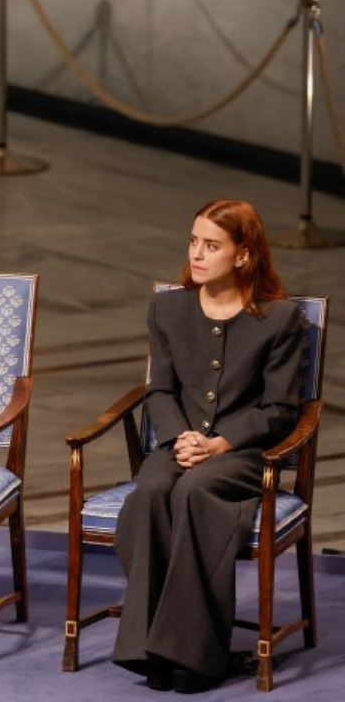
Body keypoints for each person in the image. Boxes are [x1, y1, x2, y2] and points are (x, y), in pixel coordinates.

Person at [111, 199, 305, 693]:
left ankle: (196, 656)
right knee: (152, 490)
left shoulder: (279, 319)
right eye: (194, 242)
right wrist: (180, 440)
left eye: (212, 245)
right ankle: (147, 647)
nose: (197, 254)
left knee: (196, 493)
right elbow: (160, 391)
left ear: (243, 255)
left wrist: (221, 443)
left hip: (243, 457)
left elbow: (280, 410)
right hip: (181, 446)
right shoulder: (168, 307)